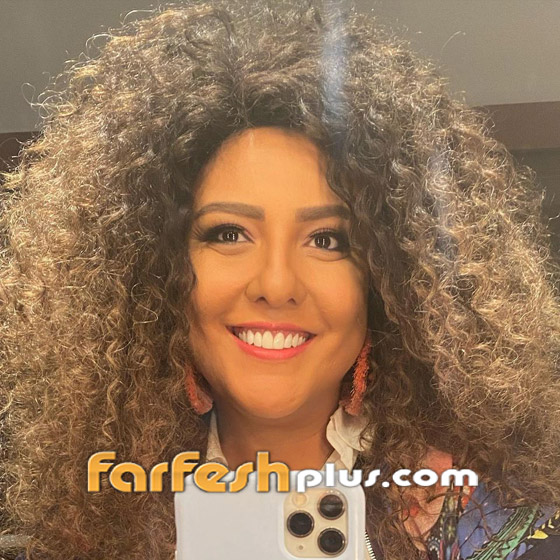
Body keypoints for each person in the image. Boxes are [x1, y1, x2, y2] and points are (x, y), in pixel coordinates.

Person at [1, 2, 559, 559]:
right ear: (147, 273)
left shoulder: (503, 527)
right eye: (229, 233)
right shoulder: (86, 529)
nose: (275, 283)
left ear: (392, 282)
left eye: (327, 239)